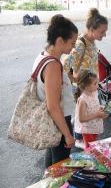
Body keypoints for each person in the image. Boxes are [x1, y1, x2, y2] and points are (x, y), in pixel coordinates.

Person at [31, 14, 77, 168]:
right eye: (72, 42)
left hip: (53, 120)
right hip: (58, 120)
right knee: (60, 166)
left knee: (52, 160)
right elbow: (53, 105)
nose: (73, 47)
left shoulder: (43, 56)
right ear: (59, 41)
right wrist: (67, 134)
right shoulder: (52, 66)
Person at [62, 8, 108, 149]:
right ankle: (79, 139)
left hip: (91, 85)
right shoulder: (81, 44)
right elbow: (64, 64)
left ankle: (80, 133)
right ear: (92, 29)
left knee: (86, 112)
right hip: (84, 86)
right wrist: (72, 78)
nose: (104, 35)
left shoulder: (91, 41)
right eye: (102, 31)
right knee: (84, 114)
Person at [73, 70, 109, 150]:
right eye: (95, 83)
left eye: (97, 82)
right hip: (87, 127)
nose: (97, 85)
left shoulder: (95, 92)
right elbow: (81, 119)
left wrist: (100, 107)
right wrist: (97, 115)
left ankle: (93, 156)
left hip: (94, 124)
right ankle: (90, 159)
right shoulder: (82, 100)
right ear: (85, 86)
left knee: (93, 144)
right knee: (89, 147)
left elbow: (93, 105)